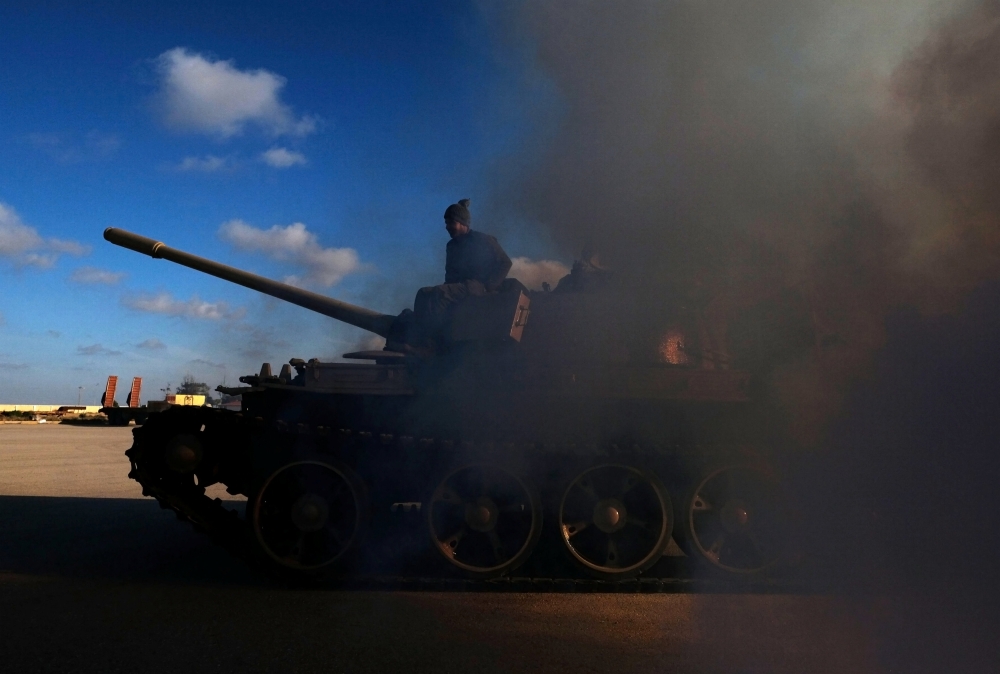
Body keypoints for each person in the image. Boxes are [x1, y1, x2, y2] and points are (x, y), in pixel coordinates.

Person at [403, 199, 511, 349]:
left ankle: (432, 341)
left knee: (439, 294)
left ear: (463, 223)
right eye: (446, 223)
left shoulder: (482, 240)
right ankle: (418, 335)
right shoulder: (452, 246)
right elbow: (450, 273)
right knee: (423, 293)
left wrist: (490, 286)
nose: (447, 227)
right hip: (459, 287)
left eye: (451, 223)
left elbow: (505, 262)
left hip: (477, 285)